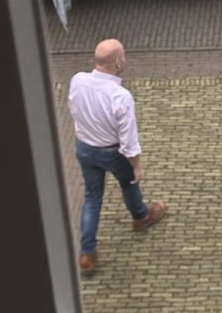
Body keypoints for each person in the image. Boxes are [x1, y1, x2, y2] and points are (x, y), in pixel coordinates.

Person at [68, 38, 167, 275]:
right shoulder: (120, 96)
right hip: (111, 151)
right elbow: (128, 138)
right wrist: (137, 166)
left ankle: (87, 253)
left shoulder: (77, 80)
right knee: (129, 182)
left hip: (84, 147)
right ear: (118, 62)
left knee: (92, 197)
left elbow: (73, 108)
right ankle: (141, 216)